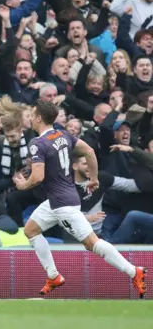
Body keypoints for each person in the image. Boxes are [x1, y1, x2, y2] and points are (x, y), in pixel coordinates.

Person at [13, 100, 146, 298]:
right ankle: (53, 275)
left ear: (39, 118)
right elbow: (89, 151)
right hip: (60, 199)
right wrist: (93, 178)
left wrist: (23, 185)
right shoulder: (64, 135)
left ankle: (133, 271)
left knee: (92, 244)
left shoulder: (37, 143)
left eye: (33, 115)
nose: (31, 118)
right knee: (31, 230)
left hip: (62, 205)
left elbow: (38, 176)